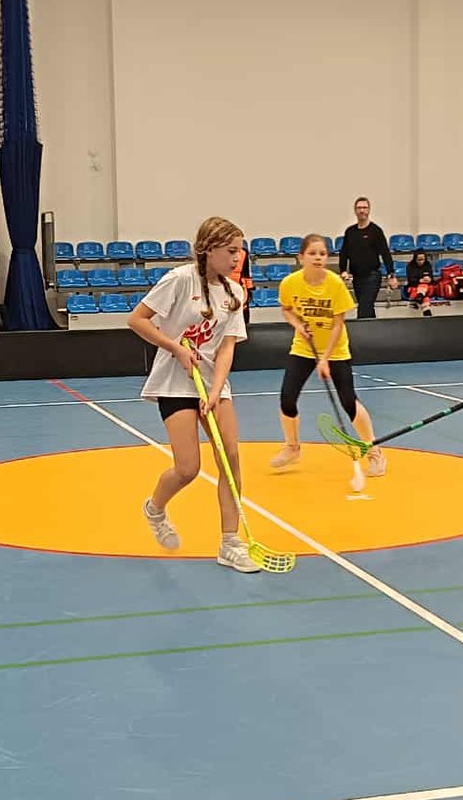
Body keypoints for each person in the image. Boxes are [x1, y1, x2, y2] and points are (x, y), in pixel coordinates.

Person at [126, 216, 260, 574]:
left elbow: (227, 347)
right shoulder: (180, 280)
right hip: (176, 382)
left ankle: (230, 543)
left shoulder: (235, 293)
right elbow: (137, 320)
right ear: (208, 249)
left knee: (230, 457)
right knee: (188, 468)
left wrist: (216, 390)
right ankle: (155, 509)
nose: (237, 257)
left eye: (240, 250)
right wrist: (175, 347)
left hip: (212, 383)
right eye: (230, 250)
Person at [270, 233, 382, 475]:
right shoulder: (290, 283)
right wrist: (298, 325)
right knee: (287, 398)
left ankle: (374, 451)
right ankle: (292, 447)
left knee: (348, 401)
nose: (318, 258)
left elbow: (338, 324)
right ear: (301, 257)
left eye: (322, 253)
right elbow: (286, 309)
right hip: (303, 348)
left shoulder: (335, 284)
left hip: (336, 350)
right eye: (312, 253)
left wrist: (324, 359)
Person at [338, 196, 396, 319]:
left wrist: (391, 274)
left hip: (372, 276)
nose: (362, 210)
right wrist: (343, 270)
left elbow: (385, 253)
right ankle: (373, 329)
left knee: (363, 309)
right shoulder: (350, 232)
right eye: (359, 208)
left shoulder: (376, 231)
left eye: (364, 208)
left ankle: (362, 331)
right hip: (357, 277)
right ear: (355, 210)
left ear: (369, 210)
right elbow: (344, 252)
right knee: (367, 308)